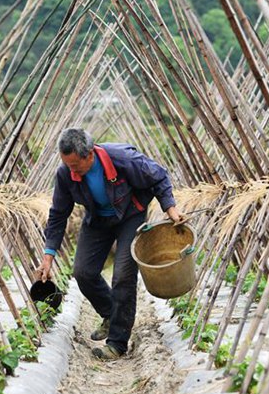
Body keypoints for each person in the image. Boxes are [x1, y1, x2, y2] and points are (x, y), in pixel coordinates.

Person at [36, 128, 183, 359]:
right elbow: (58, 214)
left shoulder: (123, 159)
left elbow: (159, 175)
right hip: (97, 220)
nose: (72, 171)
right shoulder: (66, 174)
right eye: (67, 165)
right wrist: (48, 256)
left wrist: (170, 208)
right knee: (83, 272)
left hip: (129, 215)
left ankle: (117, 343)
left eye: (75, 166)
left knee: (123, 275)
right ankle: (110, 314)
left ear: (90, 155)